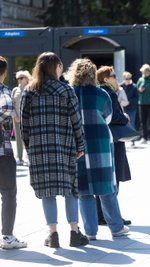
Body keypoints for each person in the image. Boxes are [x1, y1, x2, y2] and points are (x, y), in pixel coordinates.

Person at [20, 52, 88, 248]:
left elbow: (24, 125)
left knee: (46, 190)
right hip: (65, 147)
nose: (61, 69)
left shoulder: (29, 91)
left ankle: (53, 235)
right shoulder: (66, 90)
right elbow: (77, 122)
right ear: (55, 67)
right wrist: (80, 145)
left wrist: (28, 147)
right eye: (60, 66)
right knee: (70, 189)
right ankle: (74, 232)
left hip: (39, 149)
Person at [69, 58, 129, 240]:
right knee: (106, 187)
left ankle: (90, 232)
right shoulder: (101, 93)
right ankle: (117, 228)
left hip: (77, 143)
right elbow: (109, 118)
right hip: (100, 142)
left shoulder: (69, 94)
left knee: (84, 190)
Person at [96, 66, 132, 226]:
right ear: (105, 79)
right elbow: (115, 116)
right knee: (113, 178)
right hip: (114, 139)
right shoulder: (108, 93)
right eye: (113, 75)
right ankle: (111, 216)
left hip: (103, 138)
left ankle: (101, 215)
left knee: (104, 178)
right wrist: (125, 117)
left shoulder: (98, 92)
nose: (116, 78)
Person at [0, 56, 27, 249]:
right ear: (4, 72)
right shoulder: (3, 90)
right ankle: (7, 237)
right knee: (9, 193)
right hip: (2, 151)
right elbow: (8, 106)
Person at [11, 70, 30, 166]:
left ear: (26, 78)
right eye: (18, 78)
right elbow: (11, 105)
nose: (19, 80)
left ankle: (28, 157)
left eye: (21, 78)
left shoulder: (31, 88)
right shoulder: (15, 90)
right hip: (17, 119)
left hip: (29, 119)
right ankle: (19, 158)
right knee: (18, 139)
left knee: (28, 138)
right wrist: (15, 116)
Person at [137, 64, 150, 144]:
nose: (144, 73)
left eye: (145, 72)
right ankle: (144, 138)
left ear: (149, 71)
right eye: (143, 72)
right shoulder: (140, 79)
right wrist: (139, 90)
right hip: (142, 103)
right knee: (143, 121)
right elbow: (137, 89)